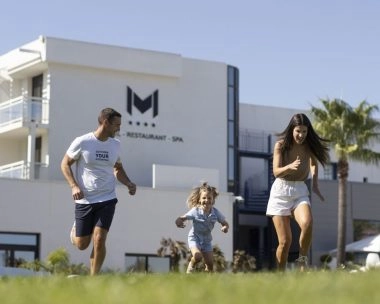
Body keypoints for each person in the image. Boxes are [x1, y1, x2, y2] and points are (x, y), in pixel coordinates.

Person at [61, 107, 136, 275]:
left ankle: (93, 280)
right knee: (82, 244)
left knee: (100, 239)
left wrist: (129, 183)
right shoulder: (83, 142)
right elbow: (64, 163)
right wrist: (73, 185)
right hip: (85, 200)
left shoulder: (115, 145)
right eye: (116, 125)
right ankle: (76, 231)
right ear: (105, 122)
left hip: (107, 198)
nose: (119, 128)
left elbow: (117, 169)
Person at [266, 113, 329, 271]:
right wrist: (289, 167)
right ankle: (280, 276)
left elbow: (314, 164)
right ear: (292, 130)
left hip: (300, 189)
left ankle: (302, 260)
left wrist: (314, 183)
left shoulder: (309, 147)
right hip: (280, 191)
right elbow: (276, 172)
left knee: (308, 223)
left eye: (304, 132)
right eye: (298, 131)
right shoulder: (281, 145)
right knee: (285, 241)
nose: (301, 135)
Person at [175, 182, 229, 273]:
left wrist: (225, 227)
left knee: (210, 264)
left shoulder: (215, 213)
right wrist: (179, 222)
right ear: (199, 200)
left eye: (209, 198)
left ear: (213, 200)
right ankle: (191, 265)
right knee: (198, 256)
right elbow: (182, 218)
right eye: (204, 198)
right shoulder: (195, 211)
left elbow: (225, 223)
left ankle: (208, 280)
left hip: (206, 240)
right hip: (194, 238)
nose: (206, 200)